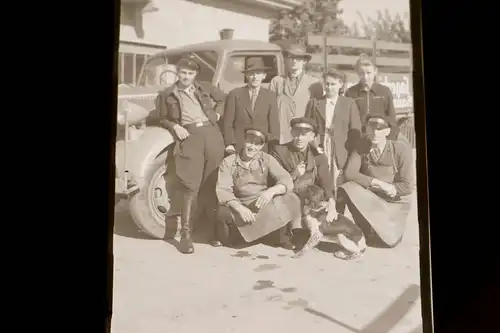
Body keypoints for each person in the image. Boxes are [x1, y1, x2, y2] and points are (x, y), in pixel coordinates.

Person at [154, 54, 226, 254]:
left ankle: (212, 233)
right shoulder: (167, 94)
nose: (186, 77)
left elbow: (223, 99)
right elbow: (161, 118)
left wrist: (217, 114)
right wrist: (174, 125)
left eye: (190, 73)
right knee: (190, 185)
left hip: (211, 134)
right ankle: (186, 235)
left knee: (212, 182)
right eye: (183, 73)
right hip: (190, 136)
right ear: (177, 73)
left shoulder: (204, 87)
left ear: (195, 75)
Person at [338, 115, 415, 249]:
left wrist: (392, 189)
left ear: (388, 131)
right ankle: (365, 231)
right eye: (371, 128)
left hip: (395, 202)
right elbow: (349, 173)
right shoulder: (361, 147)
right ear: (366, 130)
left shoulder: (400, 149)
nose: (375, 133)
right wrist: (379, 183)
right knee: (347, 188)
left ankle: (385, 230)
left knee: (388, 242)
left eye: (380, 129)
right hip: (374, 197)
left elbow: (408, 185)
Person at [215, 127, 300, 250]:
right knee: (222, 211)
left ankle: (281, 237)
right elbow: (223, 190)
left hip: (262, 203)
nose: (252, 147)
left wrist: (271, 191)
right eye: (250, 142)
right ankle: (238, 237)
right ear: (243, 141)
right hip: (240, 204)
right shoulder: (228, 162)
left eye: (257, 144)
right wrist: (240, 208)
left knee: (289, 198)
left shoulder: (267, 159)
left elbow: (286, 179)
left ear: (262, 146)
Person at [304, 68, 362, 192]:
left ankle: (338, 206)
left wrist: (351, 151)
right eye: (327, 84)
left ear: (341, 85)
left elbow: (355, 130)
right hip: (320, 145)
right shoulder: (315, 103)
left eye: (333, 84)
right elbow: (307, 127)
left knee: (339, 179)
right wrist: (313, 143)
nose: (329, 87)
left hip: (341, 147)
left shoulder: (349, 103)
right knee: (322, 177)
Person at [223, 57, 280, 154]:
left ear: (264, 76)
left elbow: (274, 126)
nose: (255, 77)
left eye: (258, 73)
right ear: (246, 75)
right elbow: (227, 123)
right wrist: (230, 144)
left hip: (261, 146)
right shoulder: (235, 94)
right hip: (239, 147)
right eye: (251, 74)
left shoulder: (270, 96)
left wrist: (272, 146)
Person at [269, 44, 323, 144]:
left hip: (303, 135)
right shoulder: (277, 81)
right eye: (291, 57)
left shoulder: (314, 83)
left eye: (298, 58)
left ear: (304, 61)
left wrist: (314, 137)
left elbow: (318, 115)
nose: (294, 61)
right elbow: (270, 110)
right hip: (281, 135)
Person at [345, 54, 398, 140]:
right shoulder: (350, 93)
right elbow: (347, 120)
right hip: (359, 139)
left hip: (380, 138)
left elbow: (392, 120)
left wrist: (390, 137)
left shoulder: (385, 91)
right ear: (357, 73)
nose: (365, 77)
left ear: (375, 71)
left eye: (368, 73)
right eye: (362, 73)